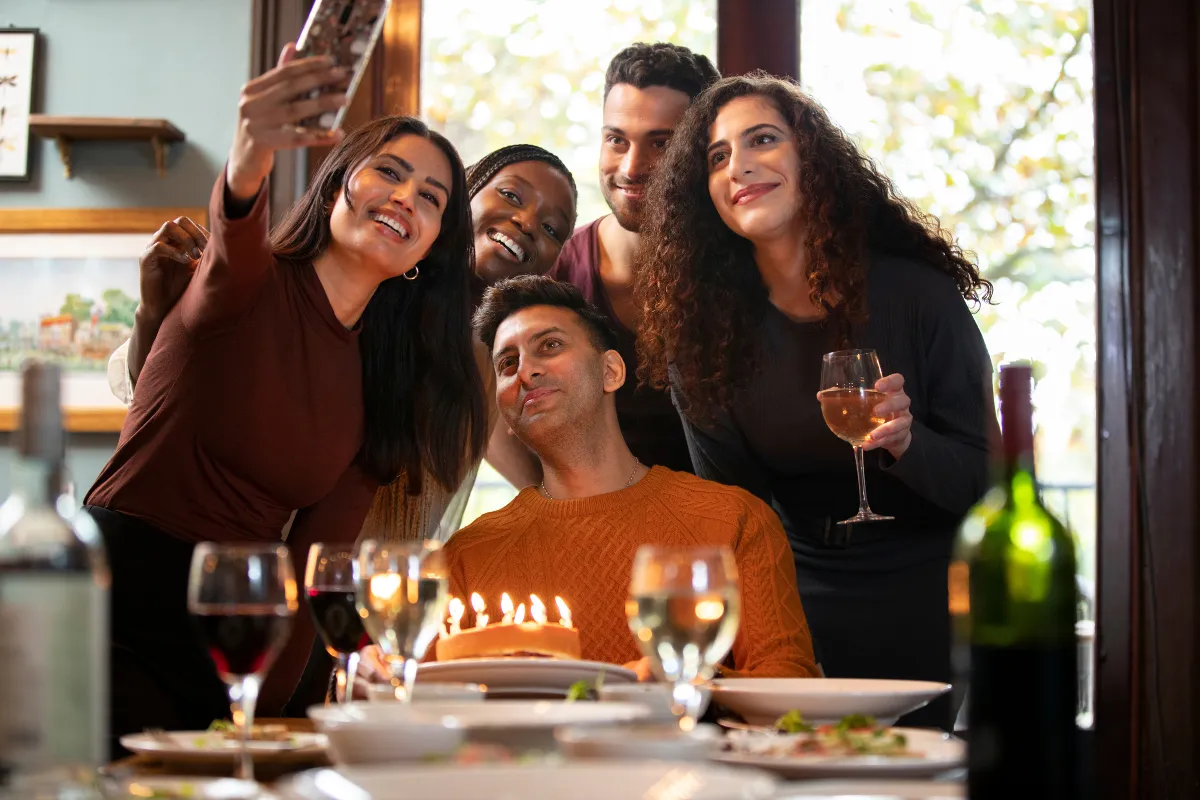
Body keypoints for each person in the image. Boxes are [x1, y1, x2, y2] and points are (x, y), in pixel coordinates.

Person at [83, 45, 487, 746]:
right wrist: (252, 145)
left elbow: (313, 569)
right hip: (114, 604)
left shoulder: (387, 383)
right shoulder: (245, 285)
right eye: (388, 173)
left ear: (428, 252)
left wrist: (263, 729)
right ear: (336, 186)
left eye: (430, 198)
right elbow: (236, 225)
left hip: (235, 626)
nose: (404, 199)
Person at [634, 74, 995, 728]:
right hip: (794, 599)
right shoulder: (703, 339)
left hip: (928, 595)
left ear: (812, 158)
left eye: (762, 140)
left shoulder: (918, 297)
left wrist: (910, 446)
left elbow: (985, 481)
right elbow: (733, 511)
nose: (738, 165)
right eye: (717, 157)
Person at [107, 144, 578, 540]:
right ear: (459, 200)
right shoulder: (363, 288)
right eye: (513, 194)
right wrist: (153, 312)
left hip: (375, 597)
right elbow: (151, 392)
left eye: (554, 228)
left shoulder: (490, 360)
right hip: (265, 565)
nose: (527, 221)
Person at [428, 275, 819, 678]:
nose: (526, 372)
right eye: (508, 364)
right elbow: (421, 697)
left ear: (611, 371)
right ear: (505, 416)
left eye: (550, 345)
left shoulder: (734, 520)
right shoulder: (466, 557)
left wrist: (693, 681)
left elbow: (789, 678)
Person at [486, 43, 721, 483]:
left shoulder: (739, 269)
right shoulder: (556, 271)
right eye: (616, 139)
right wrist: (557, 510)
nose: (631, 167)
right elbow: (491, 412)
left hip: (724, 531)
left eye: (661, 143)